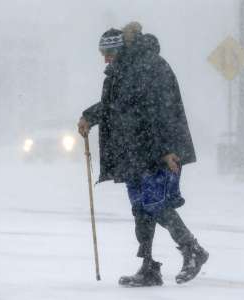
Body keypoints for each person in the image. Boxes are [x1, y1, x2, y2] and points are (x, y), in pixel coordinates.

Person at [78, 22, 208, 287]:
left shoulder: (149, 66)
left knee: (155, 203)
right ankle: (149, 266)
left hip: (155, 151)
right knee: (141, 208)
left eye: (108, 52)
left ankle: (192, 249)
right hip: (135, 151)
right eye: (102, 53)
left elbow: (158, 110)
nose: (104, 58)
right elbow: (117, 106)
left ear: (121, 48)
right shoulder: (124, 70)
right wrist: (89, 117)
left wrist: (166, 150)